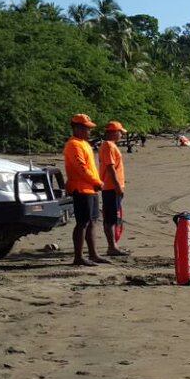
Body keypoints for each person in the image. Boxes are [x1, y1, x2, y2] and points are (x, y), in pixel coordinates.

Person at [64, 114, 107, 266]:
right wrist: (97, 181)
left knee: (92, 221)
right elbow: (81, 168)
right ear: (77, 128)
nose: (89, 131)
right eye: (86, 128)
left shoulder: (84, 144)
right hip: (80, 188)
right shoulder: (74, 145)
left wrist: (95, 183)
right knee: (82, 222)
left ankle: (93, 254)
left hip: (90, 188)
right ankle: (79, 256)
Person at [99, 120, 129, 256]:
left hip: (113, 187)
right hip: (111, 187)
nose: (121, 135)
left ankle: (113, 245)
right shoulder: (108, 146)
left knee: (113, 216)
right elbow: (110, 168)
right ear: (113, 132)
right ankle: (112, 246)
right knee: (111, 218)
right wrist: (117, 185)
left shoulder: (110, 146)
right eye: (120, 132)